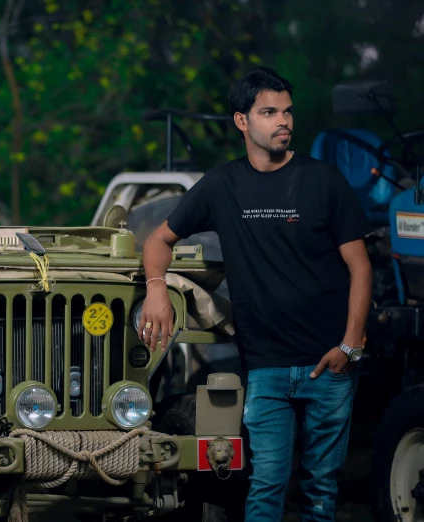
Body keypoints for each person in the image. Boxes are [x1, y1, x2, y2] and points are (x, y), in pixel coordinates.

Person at [138, 67, 373, 521]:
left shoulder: (323, 181)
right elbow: (157, 240)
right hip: (265, 367)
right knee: (265, 486)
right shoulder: (223, 185)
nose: (283, 121)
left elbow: (360, 267)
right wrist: (156, 290)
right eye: (269, 112)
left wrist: (350, 344)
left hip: (329, 364)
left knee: (320, 489)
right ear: (242, 121)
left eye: (287, 112)